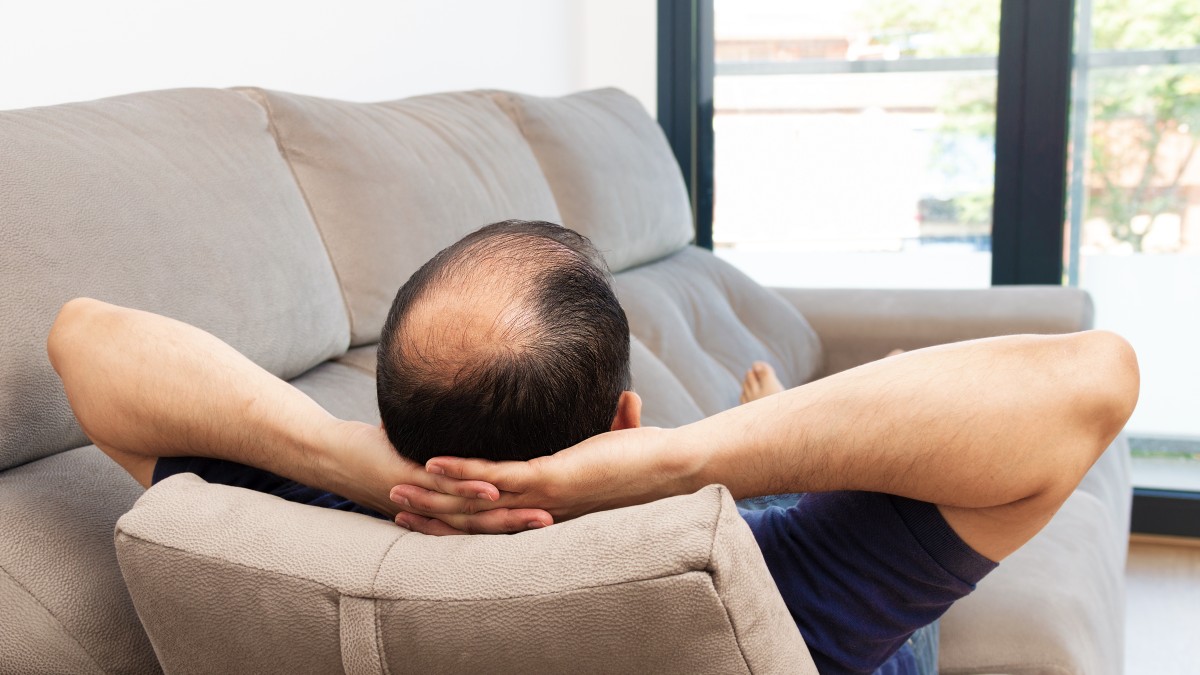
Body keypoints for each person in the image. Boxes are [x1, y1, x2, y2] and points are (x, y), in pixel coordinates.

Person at [48, 221, 1139, 675]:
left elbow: (84, 337)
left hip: (389, 489)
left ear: (395, 420)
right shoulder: (769, 573)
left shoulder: (295, 515)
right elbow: (1091, 381)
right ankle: (777, 415)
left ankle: (780, 412)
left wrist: (344, 459)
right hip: (787, 558)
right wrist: (691, 457)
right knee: (874, 457)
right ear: (625, 423)